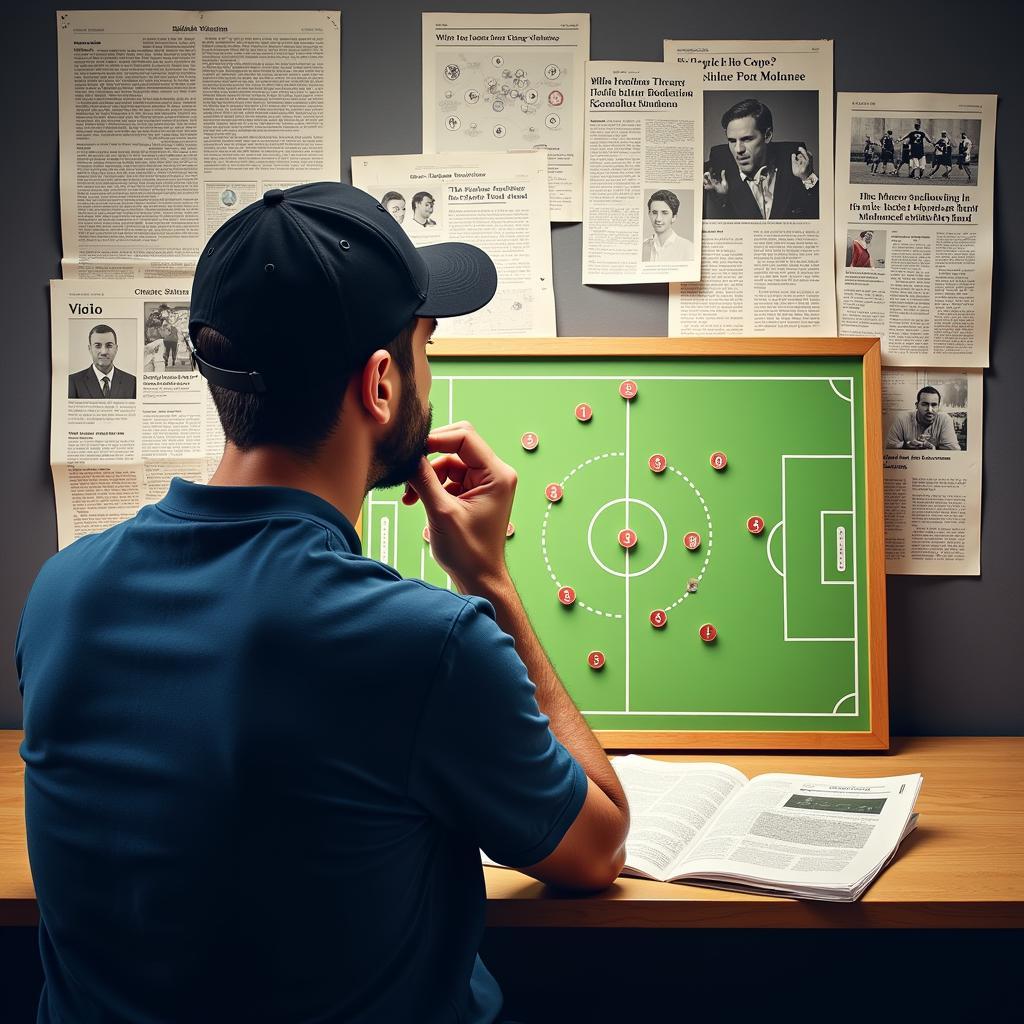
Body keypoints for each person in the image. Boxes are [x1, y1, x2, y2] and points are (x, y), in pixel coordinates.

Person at [19, 182, 630, 1024]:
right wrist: (488, 580)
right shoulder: (431, 645)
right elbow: (599, 847)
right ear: (381, 384)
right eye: (425, 346)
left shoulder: (61, 594)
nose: (428, 370)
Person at [703, 98, 819, 220]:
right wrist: (719, 198)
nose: (738, 149)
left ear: (767, 135)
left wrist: (808, 178)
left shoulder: (795, 162)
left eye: (747, 139)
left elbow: (823, 214)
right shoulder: (717, 166)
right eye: (732, 141)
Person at [67, 323, 137, 399]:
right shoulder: (73, 381)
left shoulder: (131, 382)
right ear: (90, 349)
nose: (104, 352)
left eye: (109, 345)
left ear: (116, 348)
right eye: (97, 346)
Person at [884, 385, 961, 450]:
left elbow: (954, 452)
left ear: (938, 406)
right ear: (917, 405)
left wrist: (933, 450)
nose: (930, 410)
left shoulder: (945, 420)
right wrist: (905, 445)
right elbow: (889, 448)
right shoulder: (902, 419)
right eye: (925, 404)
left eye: (934, 405)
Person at [640, 189, 693, 263]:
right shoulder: (642, 246)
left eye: (664, 213)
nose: (658, 219)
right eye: (654, 213)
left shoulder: (688, 248)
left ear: (674, 217)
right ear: (649, 215)